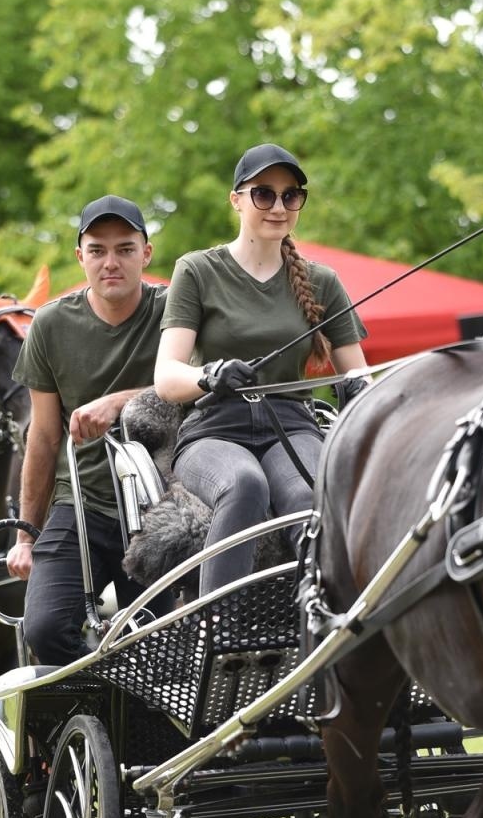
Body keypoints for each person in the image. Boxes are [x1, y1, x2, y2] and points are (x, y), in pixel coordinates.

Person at [153, 144, 369, 592]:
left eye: (291, 196)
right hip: (214, 429)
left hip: (291, 426)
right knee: (244, 484)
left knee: (310, 495)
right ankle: (218, 630)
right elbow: (167, 376)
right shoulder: (197, 270)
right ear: (236, 199)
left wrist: (358, 393)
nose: (278, 206)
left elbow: (358, 377)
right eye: (263, 194)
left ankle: (322, 623)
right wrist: (208, 376)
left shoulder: (322, 281)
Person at [6, 195, 169, 665]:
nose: (111, 262)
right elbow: (42, 436)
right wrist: (25, 536)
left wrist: (121, 401)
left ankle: (147, 717)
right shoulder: (52, 324)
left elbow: (197, 384)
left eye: (124, 248)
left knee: (166, 640)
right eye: (97, 250)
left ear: (146, 253)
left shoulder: (175, 309)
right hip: (81, 502)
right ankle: (103, 704)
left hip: (162, 509)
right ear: (81, 257)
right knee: (45, 630)